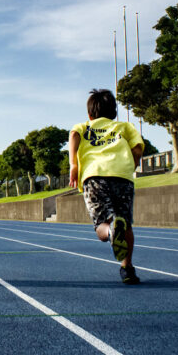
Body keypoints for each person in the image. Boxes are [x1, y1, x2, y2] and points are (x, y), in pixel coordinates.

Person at [68, 88, 144, 285]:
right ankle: (127, 268)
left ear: (90, 114)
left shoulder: (85, 126)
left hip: (94, 177)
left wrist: (74, 165)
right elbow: (137, 147)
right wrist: (133, 162)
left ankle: (110, 231)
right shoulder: (124, 127)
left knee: (102, 224)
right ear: (114, 113)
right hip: (122, 177)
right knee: (125, 221)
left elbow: (74, 134)